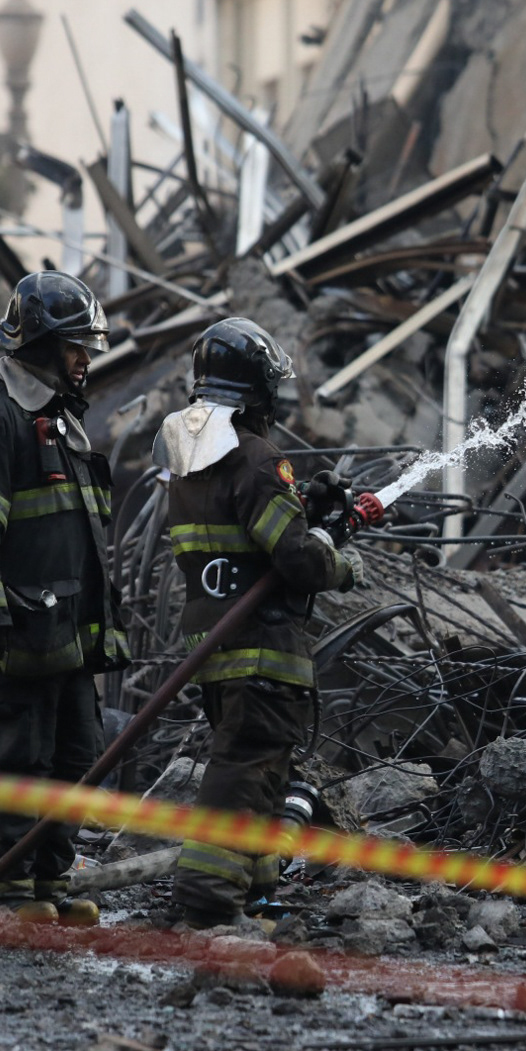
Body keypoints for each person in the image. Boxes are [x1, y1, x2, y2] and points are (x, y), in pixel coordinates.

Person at [0, 270, 127, 924]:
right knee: (6, 762)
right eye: (78, 346)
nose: (87, 359)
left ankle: (45, 881)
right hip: (7, 647)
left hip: (61, 643)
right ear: (44, 343)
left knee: (72, 759)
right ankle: (3, 888)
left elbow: (83, 539)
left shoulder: (62, 421)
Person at [154, 317, 358, 927]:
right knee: (244, 770)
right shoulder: (259, 457)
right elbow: (295, 558)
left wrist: (307, 512)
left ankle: (255, 894)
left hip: (214, 643)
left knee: (264, 773)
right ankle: (208, 899)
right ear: (260, 392)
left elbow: (248, 535)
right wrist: (341, 565)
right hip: (263, 644)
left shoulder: (193, 457)